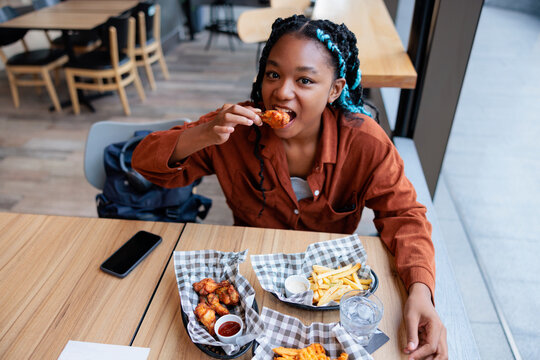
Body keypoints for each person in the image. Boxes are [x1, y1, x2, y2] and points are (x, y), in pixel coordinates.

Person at [133, 15, 447, 360]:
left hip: (329, 300)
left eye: (305, 80)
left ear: (335, 90)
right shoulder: (234, 130)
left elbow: (404, 215)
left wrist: (420, 291)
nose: (281, 92)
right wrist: (203, 134)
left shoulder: (365, 143)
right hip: (249, 291)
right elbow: (145, 164)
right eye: (273, 74)